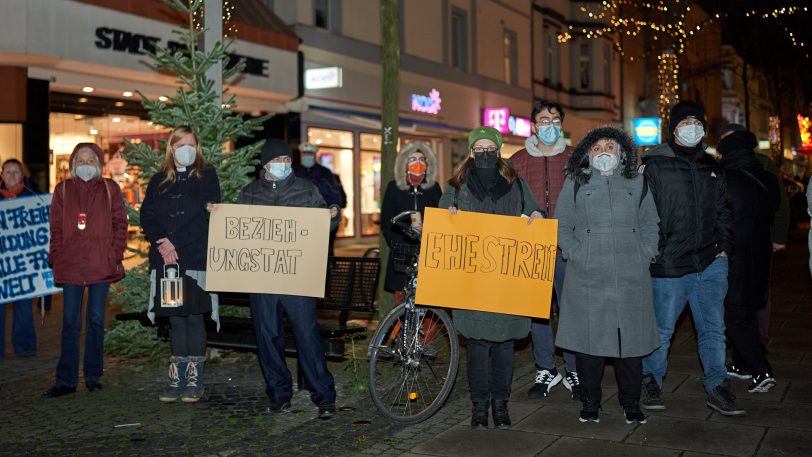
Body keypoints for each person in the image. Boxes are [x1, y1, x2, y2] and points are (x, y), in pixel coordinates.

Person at [639, 101, 744, 416]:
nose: (692, 128)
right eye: (685, 122)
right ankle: (651, 381)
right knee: (662, 330)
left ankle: (717, 385)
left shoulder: (712, 165)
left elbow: (724, 209)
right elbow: (642, 213)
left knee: (713, 328)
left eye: (696, 122)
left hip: (711, 262)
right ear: (673, 128)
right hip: (669, 264)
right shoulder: (654, 165)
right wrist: (655, 250)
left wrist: (725, 245)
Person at [554, 127, 660, 424]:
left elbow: (651, 222)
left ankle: (631, 402)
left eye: (610, 146)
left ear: (621, 152)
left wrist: (646, 252)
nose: (604, 151)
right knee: (591, 344)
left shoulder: (638, 182)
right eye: (597, 146)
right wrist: (575, 251)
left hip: (631, 274)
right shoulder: (576, 182)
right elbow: (561, 224)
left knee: (631, 345)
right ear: (588, 153)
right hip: (588, 274)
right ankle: (590, 402)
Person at [439, 126, 543, 429]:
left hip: (506, 280)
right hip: (473, 281)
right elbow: (444, 215)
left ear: (498, 151)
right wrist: (450, 214)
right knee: (478, 345)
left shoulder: (516, 183)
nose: (484, 152)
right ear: (472, 152)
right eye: (479, 148)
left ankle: (501, 405)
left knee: (504, 345)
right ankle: (479, 406)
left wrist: (536, 217)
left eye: (489, 147)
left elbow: (533, 212)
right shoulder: (457, 185)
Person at [239, 138, 340, 419]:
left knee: (307, 335)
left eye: (287, 160)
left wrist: (332, 217)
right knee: (268, 335)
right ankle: (278, 393)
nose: (284, 165)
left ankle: (324, 395)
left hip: (297, 277)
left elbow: (323, 221)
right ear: (265, 165)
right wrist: (217, 216)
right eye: (278, 161)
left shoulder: (306, 190)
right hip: (262, 277)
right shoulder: (249, 193)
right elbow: (235, 229)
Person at [140, 126, 221, 403]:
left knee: (194, 316)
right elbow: (147, 214)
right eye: (180, 144)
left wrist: (175, 243)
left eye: (191, 144)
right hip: (168, 260)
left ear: (196, 148)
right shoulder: (158, 179)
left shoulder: (207, 176)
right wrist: (162, 242)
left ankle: (195, 380)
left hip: (194, 258)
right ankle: (177, 379)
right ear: (171, 148)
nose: (186, 149)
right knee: (176, 318)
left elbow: (207, 216)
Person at [44, 143, 127, 397]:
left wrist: (113, 254)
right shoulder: (63, 190)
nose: (85, 163)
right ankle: (66, 380)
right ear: (72, 164)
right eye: (80, 159)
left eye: (91, 159)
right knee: (69, 322)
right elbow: (55, 227)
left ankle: (93, 375)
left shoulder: (110, 189)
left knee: (95, 319)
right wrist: (57, 255)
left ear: (99, 164)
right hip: (71, 265)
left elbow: (120, 224)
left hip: (100, 265)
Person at [510, 100, 579, 400]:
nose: (548, 125)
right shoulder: (517, 161)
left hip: (568, 248)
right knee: (537, 313)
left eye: (554, 120)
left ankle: (574, 369)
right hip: (533, 249)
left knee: (572, 311)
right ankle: (546, 369)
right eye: (543, 120)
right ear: (534, 126)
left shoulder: (577, 159)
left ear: (561, 125)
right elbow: (507, 202)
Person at [716, 127, 780, 393]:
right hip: (760, 255)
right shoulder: (767, 178)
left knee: (735, 316)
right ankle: (742, 364)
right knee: (749, 311)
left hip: (734, 257)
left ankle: (760, 369)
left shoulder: (723, 178)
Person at [380, 140, 442, 296]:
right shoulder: (394, 187)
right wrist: (396, 242)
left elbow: (440, 216)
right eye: (413, 159)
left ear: (428, 164)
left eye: (421, 159)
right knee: (402, 297)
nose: (418, 163)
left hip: (427, 250)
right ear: (404, 163)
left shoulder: (433, 188)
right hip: (401, 251)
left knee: (427, 297)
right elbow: (386, 219)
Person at [1, 159, 39, 358]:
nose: (12, 176)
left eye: (16, 172)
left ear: (22, 175)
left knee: (23, 305)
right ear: (1, 175)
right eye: (8, 172)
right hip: (1, 262)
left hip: (22, 263)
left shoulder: (33, 198)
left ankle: (25, 346)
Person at [294, 143, 345, 255]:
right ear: (301, 155)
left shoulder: (325, 173)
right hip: (299, 220)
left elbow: (335, 194)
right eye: (304, 154)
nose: (307, 156)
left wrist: (334, 208)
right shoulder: (293, 172)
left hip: (320, 219)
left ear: (315, 156)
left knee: (322, 251)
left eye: (310, 154)